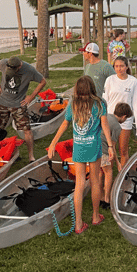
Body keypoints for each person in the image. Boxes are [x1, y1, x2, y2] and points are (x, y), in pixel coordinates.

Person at [48, 76, 115, 234]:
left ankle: (78, 224)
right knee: (95, 181)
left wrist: (53, 143)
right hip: (94, 148)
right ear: (92, 88)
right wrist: (111, 146)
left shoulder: (73, 104)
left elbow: (65, 124)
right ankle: (95, 216)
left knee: (79, 184)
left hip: (79, 149)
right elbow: (105, 125)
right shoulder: (99, 104)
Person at [0, 56, 47, 161]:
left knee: (27, 130)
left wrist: (31, 96)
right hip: (1, 102)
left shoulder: (29, 70)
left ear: (19, 66)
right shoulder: (4, 63)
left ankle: (31, 156)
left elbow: (43, 81)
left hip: (18, 104)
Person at [102, 56, 137, 169]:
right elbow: (104, 100)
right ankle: (108, 172)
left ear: (127, 67)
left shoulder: (133, 81)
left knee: (123, 150)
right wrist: (103, 118)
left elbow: (136, 103)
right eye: (116, 66)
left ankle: (124, 174)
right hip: (111, 119)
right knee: (109, 148)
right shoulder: (109, 80)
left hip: (126, 120)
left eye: (122, 66)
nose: (119, 69)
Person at [100, 102, 133, 209]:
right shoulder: (117, 127)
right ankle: (106, 200)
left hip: (93, 148)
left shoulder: (106, 116)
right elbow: (112, 147)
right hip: (103, 151)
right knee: (108, 172)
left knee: (100, 172)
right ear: (123, 116)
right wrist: (118, 163)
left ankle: (99, 197)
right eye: (126, 118)